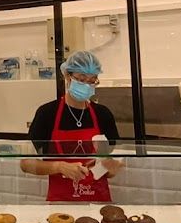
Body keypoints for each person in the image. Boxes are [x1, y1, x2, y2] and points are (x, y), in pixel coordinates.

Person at [20, 51, 121, 202]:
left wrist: (110, 167)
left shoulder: (103, 115)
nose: (87, 86)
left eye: (92, 81)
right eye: (81, 80)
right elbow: (26, 164)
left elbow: (111, 163)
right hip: (61, 205)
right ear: (67, 76)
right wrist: (59, 167)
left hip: (98, 203)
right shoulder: (47, 113)